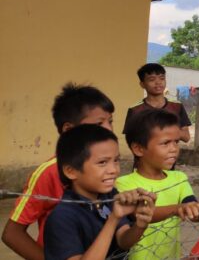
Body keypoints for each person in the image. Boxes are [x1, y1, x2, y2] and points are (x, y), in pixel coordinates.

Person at [2, 84, 115, 260]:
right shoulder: (48, 173)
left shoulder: (105, 168)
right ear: (68, 129)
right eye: (99, 123)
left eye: (111, 121)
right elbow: (12, 234)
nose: (108, 129)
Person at [43, 124, 155, 259]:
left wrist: (140, 225)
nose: (114, 170)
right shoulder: (62, 218)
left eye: (116, 160)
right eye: (102, 162)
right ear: (70, 171)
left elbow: (123, 242)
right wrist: (113, 219)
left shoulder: (110, 196)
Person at [116, 110, 199, 259]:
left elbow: (192, 212)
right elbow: (140, 214)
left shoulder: (179, 178)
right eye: (165, 143)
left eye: (176, 142)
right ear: (139, 149)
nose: (174, 149)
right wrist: (178, 208)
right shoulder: (125, 184)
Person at [124, 63, 191, 143]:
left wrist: (166, 130)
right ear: (142, 84)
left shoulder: (177, 106)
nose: (158, 82)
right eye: (152, 79)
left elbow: (186, 137)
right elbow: (131, 139)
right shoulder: (135, 110)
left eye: (162, 78)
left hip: (170, 154)